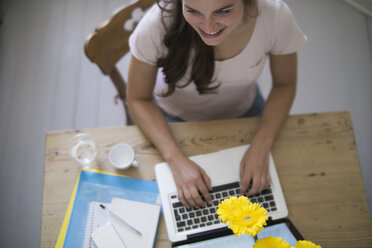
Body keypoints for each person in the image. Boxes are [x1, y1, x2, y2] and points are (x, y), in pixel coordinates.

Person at [127, 0, 307, 209]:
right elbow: (138, 99)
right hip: (173, 120)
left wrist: (262, 144)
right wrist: (175, 159)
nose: (208, 27)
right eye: (193, 11)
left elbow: (284, 85)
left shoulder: (275, 16)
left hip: (246, 111)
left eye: (223, 11)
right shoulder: (156, 25)